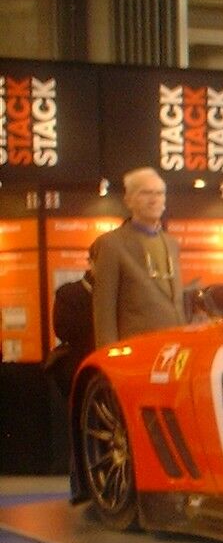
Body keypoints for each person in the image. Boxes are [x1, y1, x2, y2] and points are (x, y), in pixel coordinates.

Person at [91, 167, 186, 347]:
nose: (154, 199)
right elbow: (104, 311)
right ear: (128, 200)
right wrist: (109, 359)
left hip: (173, 349)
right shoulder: (111, 244)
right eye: (146, 193)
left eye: (159, 193)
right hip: (136, 352)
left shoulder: (171, 243)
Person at [43, 240, 100, 398]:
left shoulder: (118, 294)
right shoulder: (68, 293)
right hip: (79, 367)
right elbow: (62, 330)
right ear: (90, 262)